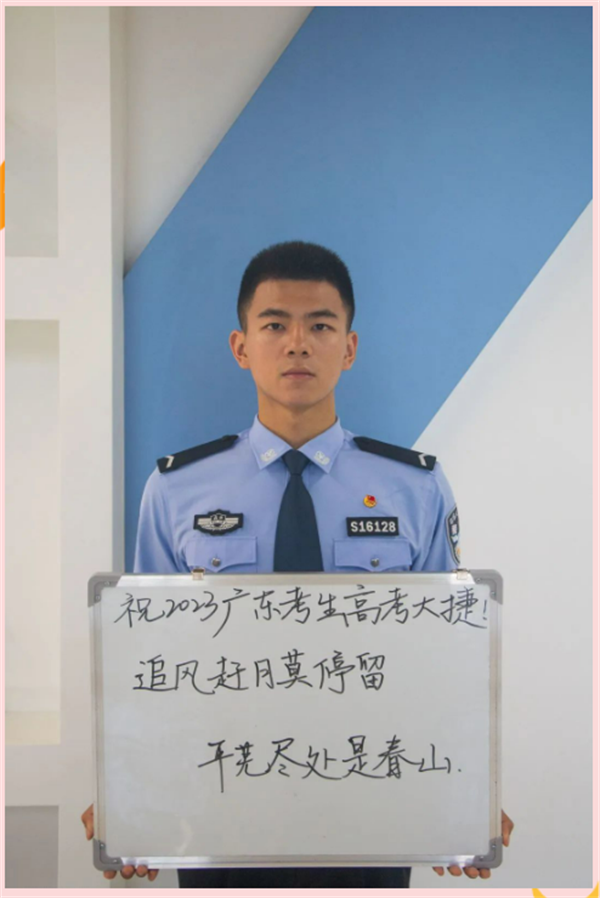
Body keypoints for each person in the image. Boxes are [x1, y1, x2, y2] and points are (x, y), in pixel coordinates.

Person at [82, 241, 513, 886]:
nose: (297, 344)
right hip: (218, 800)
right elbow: (143, 660)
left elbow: (449, 660)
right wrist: (128, 790)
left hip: (373, 798)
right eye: (275, 325)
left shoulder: (415, 488)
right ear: (241, 346)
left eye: (320, 326)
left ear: (350, 347)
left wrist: (469, 792)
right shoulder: (175, 491)